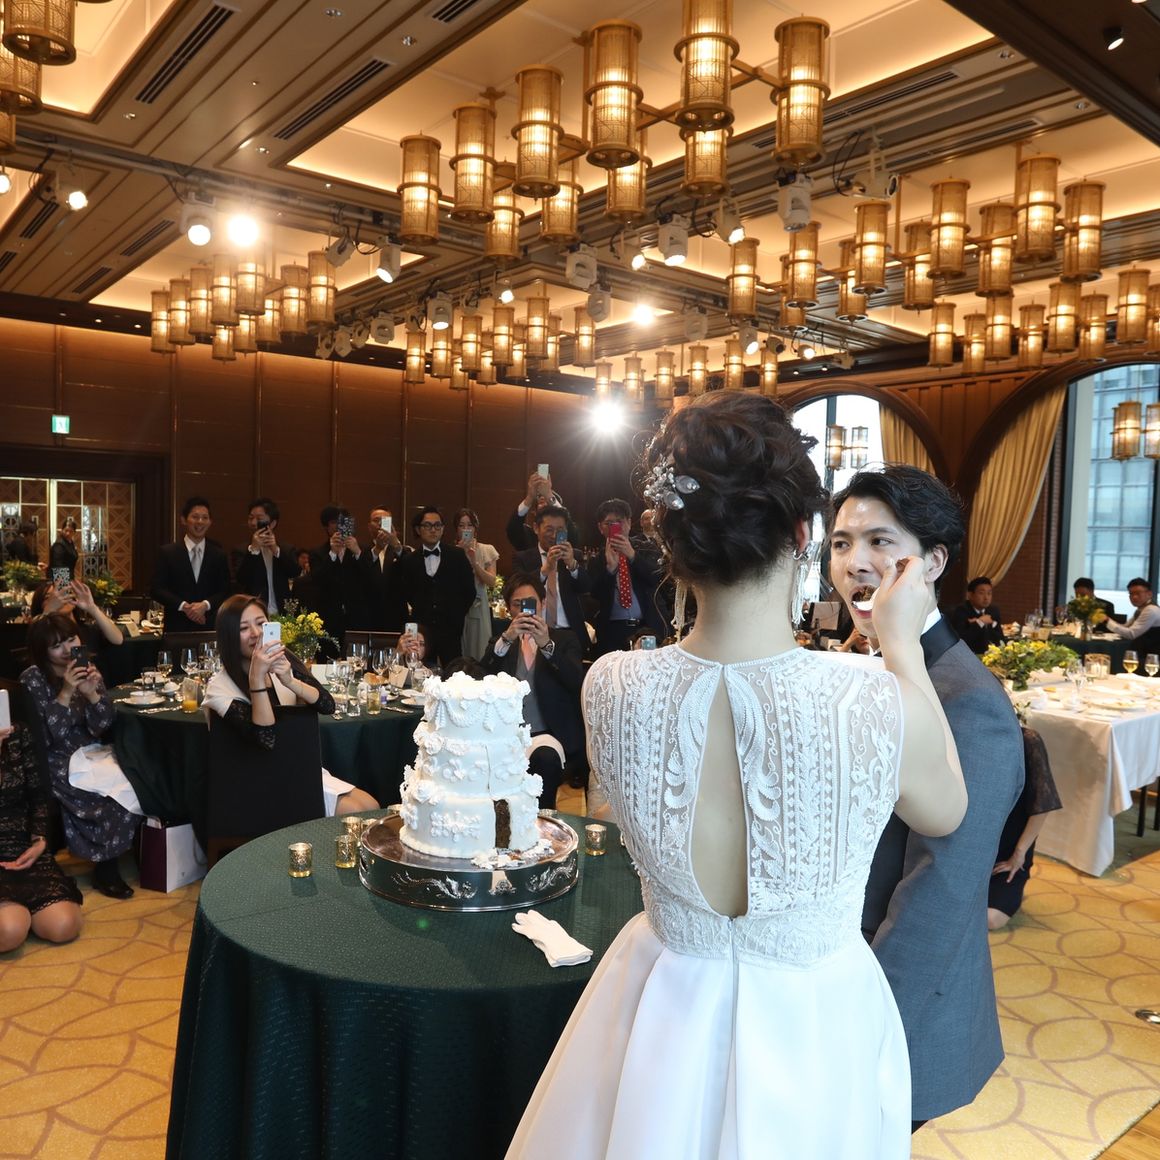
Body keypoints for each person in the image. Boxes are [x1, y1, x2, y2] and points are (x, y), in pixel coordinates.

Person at [508, 393, 967, 1159]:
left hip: (659, 1003)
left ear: (669, 538)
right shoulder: (869, 696)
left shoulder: (611, 684)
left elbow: (619, 814)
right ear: (802, 535)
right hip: (813, 1021)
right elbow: (945, 810)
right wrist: (903, 649)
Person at [828, 464, 1025, 1130]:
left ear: (933, 563)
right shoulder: (854, 668)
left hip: (890, 1007)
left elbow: (940, 892)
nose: (856, 562)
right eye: (841, 543)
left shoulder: (970, 703)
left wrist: (863, 1027)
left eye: (880, 542)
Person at [203, 595, 377, 817]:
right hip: (254, 781)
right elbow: (265, 737)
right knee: (356, 812)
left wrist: (290, 681)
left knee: (371, 806)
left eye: (261, 623)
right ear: (228, 635)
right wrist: (257, 678)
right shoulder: (219, 687)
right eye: (243, 628)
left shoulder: (282, 660)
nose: (255, 633)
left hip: (296, 767)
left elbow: (327, 705)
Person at [20, 612, 142, 899]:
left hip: (90, 750)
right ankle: (106, 867)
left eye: (70, 639)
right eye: (56, 645)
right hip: (52, 757)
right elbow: (46, 737)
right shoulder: (32, 679)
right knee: (102, 795)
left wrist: (92, 695)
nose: (66, 650)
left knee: (138, 776)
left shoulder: (87, 668)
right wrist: (65, 691)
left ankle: (126, 854)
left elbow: (102, 725)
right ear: (42, 651)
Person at [481, 573, 584, 809]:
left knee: (546, 760)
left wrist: (546, 645)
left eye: (530, 603)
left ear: (543, 603)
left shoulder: (564, 639)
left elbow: (575, 680)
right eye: (517, 604)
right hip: (506, 734)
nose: (524, 610)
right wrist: (507, 638)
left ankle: (543, 818)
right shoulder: (501, 642)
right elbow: (482, 675)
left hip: (548, 733)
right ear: (508, 609)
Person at [0, 721, 84, 952]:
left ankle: (21, 912)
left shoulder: (16, 733)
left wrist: (39, 841)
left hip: (22, 849)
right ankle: (16, 915)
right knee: (10, 930)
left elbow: (38, 797)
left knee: (65, 926)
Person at [988, 726, 1062, 930]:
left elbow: (1042, 804)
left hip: (1009, 853)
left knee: (991, 919)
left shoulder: (1027, 740)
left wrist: (1019, 853)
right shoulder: (971, 734)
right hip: (978, 848)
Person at [395, 507, 476, 668]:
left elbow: (469, 591)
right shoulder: (409, 560)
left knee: (454, 672)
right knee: (419, 671)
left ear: (443, 528)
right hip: (422, 631)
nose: (433, 530)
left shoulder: (457, 555)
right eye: (427, 525)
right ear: (418, 529)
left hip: (451, 629)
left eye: (437, 525)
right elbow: (404, 593)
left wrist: (456, 615)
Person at [587, 498, 667, 655]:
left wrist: (632, 555)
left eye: (620, 521)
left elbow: (657, 578)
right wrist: (610, 570)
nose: (615, 526)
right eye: (609, 523)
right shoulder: (597, 560)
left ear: (629, 523)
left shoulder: (646, 548)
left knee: (648, 667)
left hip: (647, 627)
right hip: (612, 631)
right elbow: (595, 595)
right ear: (600, 528)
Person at [512, 504, 591, 658]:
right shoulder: (522, 558)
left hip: (569, 632)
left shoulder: (574, 555)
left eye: (560, 530)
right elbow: (517, 589)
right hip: (534, 631)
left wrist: (572, 565)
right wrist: (545, 569)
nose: (554, 535)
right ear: (536, 528)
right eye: (549, 529)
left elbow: (586, 587)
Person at [151, 497, 231, 632]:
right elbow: (156, 589)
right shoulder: (167, 552)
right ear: (183, 520)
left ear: (210, 522)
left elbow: (225, 591)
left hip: (208, 626)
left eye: (205, 518)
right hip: (177, 626)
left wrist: (205, 605)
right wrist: (185, 607)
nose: (200, 521)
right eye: (195, 517)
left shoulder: (219, 555)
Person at [304, 505, 363, 657]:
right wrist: (332, 554)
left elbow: (369, 579)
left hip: (356, 618)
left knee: (357, 661)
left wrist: (357, 552)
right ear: (326, 526)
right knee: (327, 660)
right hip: (328, 619)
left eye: (344, 522)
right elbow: (316, 580)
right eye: (334, 522)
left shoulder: (360, 550)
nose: (339, 526)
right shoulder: (317, 553)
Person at [234, 498, 296, 615]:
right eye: (251, 518)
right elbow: (241, 579)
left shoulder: (286, 548)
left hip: (282, 612)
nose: (254, 523)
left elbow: (294, 572)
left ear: (272, 523)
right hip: (254, 612)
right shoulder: (242, 550)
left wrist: (276, 550)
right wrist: (254, 550)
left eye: (259, 519)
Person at [31, 577, 123, 651]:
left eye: (65, 593)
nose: (60, 599)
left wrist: (92, 608)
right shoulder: (44, 634)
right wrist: (49, 611)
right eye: (50, 597)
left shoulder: (88, 629)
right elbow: (35, 644)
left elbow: (118, 640)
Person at [455, 508, 499, 660]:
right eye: (461, 525)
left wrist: (474, 562)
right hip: (456, 607)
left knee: (480, 651)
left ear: (475, 528)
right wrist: (459, 554)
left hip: (479, 606)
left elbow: (492, 581)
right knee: (459, 651)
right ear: (456, 529)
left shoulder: (487, 550)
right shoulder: (452, 552)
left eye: (470, 525)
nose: (466, 529)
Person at [358, 508, 408, 632]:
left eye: (384, 520)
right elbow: (361, 574)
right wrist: (377, 549)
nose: (380, 524)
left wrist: (396, 544)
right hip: (369, 617)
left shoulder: (401, 550)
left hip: (396, 617)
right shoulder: (361, 550)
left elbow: (410, 570)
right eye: (376, 520)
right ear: (369, 526)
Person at [1103, 577, 1160, 661]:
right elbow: (1125, 627)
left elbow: (1131, 634)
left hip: (1151, 658)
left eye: (1138, 593)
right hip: (1143, 653)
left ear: (1149, 594)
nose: (1134, 597)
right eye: (1131, 594)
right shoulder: (1141, 609)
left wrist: (1107, 621)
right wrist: (1108, 620)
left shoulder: (1151, 610)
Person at [948, 576, 1004, 654]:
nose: (986, 597)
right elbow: (961, 640)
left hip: (990, 655)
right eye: (981, 593)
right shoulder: (961, 611)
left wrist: (991, 624)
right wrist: (980, 622)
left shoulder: (993, 611)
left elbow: (1000, 638)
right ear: (970, 595)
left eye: (989, 593)